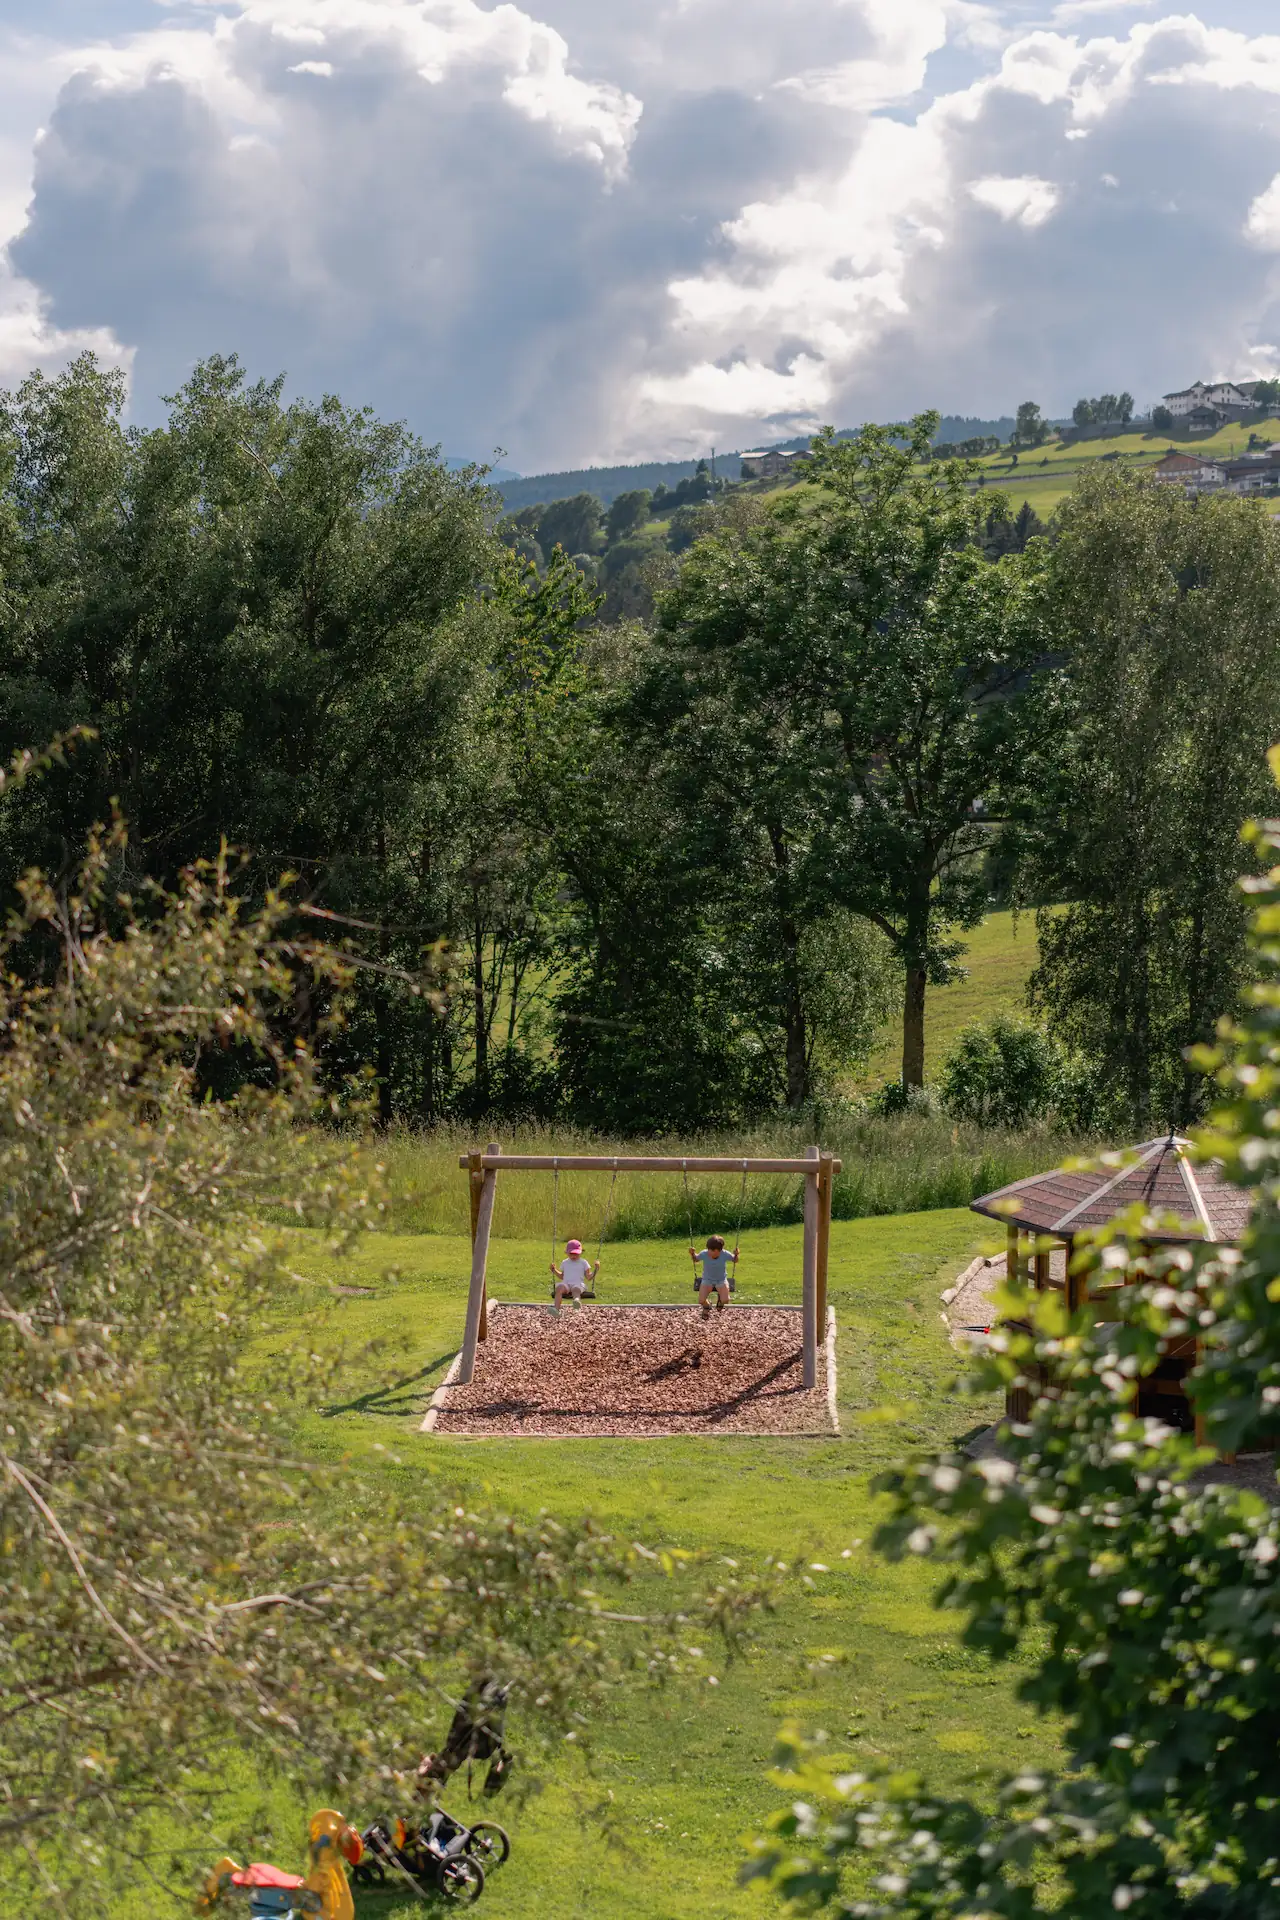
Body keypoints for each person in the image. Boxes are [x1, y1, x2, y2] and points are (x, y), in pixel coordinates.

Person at [690, 1234, 738, 1317]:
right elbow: (696, 1259)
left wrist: (736, 1254)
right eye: (709, 1249)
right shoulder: (705, 1253)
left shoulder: (725, 1254)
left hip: (721, 1280)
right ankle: (707, 1306)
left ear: (719, 1251)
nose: (709, 1252)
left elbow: (734, 1260)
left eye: (712, 1251)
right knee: (701, 1300)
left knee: (726, 1300)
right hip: (707, 1280)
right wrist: (692, 1254)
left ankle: (720, 1299)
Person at [550, 1238, 598, 1310]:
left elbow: (588, 1277)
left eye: (576, 1254)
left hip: (578, 1284)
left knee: (576, 1289)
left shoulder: (583, 1262)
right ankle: (556, 1309)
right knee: (559, 1288)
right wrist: (554, 1270)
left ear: (581, 1252)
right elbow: (562, 1276)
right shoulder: (565, 1262)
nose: (573, 1256)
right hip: (566, 1284)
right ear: (566, 1252)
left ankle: (576, 1302)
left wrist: (596, 1269)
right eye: (571, 1254)